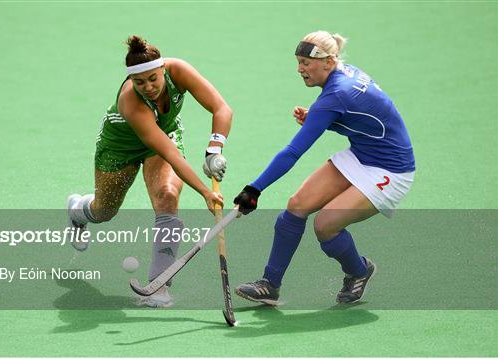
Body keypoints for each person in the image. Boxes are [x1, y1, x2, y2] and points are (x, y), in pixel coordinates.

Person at [233, 31, 415, 305]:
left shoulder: (336, 96)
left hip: (390, 171)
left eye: (306, 62)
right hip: (362, 154)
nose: (300, 69)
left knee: (325, 224)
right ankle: (270, 284)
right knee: (296, 206)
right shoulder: (344, 75)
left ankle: (359, 271)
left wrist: (254, 188)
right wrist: (320, 118)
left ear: (329, 62)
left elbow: (293, 152)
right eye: (298, 62)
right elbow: (362, 117)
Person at [67, 35, 232, 308]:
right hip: (119, 146)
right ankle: (77, 210)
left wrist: (215, 148)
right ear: (131, 81)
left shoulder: (178, 70)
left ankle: (158, 285)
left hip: (164, 136)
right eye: (139, 82)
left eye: (153, 79)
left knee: (167, 196)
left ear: (163, 70)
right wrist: (204, 192)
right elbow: (170, 153)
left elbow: (221, 107)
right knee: (104, 211)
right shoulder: (130, 102)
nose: (148, 87)